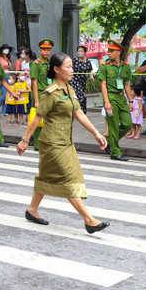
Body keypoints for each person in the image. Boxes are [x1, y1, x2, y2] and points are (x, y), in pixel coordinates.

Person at [17, 53, 111, 234]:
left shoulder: (69, 89)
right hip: (52, 143)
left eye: (71, 66)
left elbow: (80, 114)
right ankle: (89, 220)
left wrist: (96, 133)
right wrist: (25, 140)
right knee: (67, 178)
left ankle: (32, 210)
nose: (72, 70)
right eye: (67, 66)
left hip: (65, 141)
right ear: (56, 69)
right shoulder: (50, 92)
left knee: (46, 176)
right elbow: (37, 117)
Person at [98, 41, 134, 161]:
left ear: (119, 52)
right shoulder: (105, 66)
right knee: (113, 126)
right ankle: (115, 152)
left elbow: (127, 85)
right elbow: (103, 84)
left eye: (112, 51)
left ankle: (108, 141)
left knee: (127, 124)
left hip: (122, 98)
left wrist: (130, 101)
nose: (109, 53)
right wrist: (106, 101)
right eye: (108, 51)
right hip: (111, 97)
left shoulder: (126, 67)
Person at [27, 39, 54, 150]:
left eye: (48, 50)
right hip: (39, 93)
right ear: (40, 50)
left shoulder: (49, 63)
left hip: (49, 92)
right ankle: (37, 144)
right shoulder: (36, 64)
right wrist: (36, 100)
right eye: (44, 50)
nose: (46, 52)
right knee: (38, 118)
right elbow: (34, 82)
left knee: (48, 118)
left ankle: (44, 140)